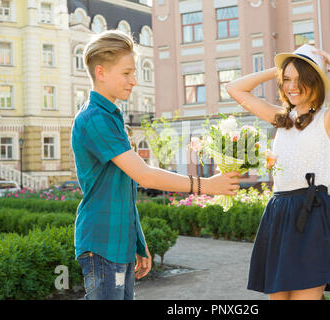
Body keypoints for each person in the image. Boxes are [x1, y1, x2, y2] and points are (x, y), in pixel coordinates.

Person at [71, 30, 240, 300]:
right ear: (101, 72)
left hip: (117, 245)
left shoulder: (110, 116)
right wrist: (207, 185)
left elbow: (124, 189)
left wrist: (138, 242)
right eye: (126, 73)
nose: (134, 81)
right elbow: (145, 175)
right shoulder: (95, 119)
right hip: (102, 244)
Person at [226, 44, 330, 300]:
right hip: (279, 212)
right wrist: (279, 69)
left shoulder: (329, 119)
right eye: (287, 80)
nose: (292, 86)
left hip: (312, 215)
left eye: (302, 79)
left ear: (317, 83)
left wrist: (329, 60)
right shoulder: (282, 119)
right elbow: (234, 88)